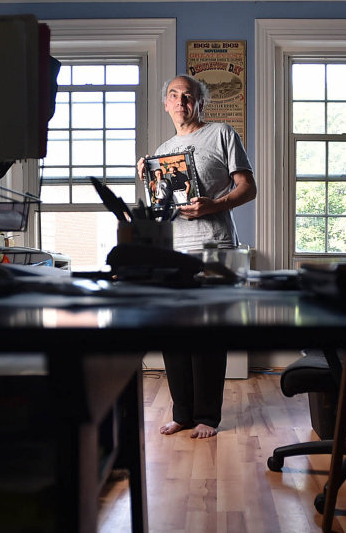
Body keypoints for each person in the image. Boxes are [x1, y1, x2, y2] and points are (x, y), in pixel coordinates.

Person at [136, 74, 257, 439]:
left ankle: (208, 416)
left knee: (207, 337)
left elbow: (248, 187)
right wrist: (146, 176)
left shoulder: (222, 133)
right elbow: (161, 206)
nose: (181, 102)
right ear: (166, 103)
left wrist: (213, 205)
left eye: (188, 96)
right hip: (175, 251)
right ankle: (182, 413)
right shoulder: (162, 150)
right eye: (174, 95)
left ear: (199, 103)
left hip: (215, 247)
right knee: (174, 335)